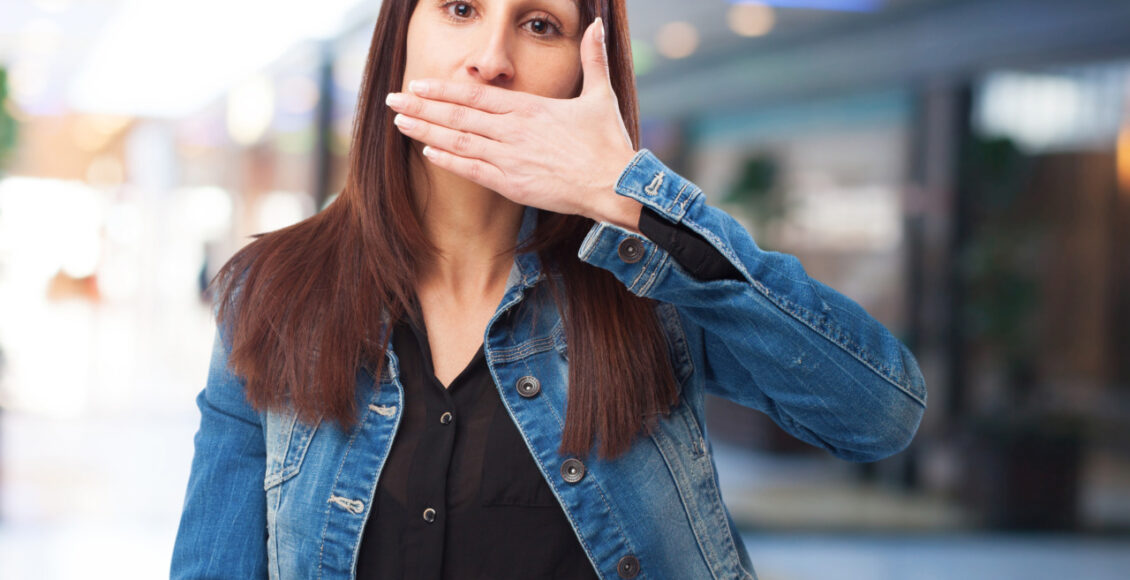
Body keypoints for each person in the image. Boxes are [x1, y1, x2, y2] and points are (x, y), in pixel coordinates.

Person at [171, 0, 927, 578]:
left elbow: (878, 415)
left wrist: (633, 199)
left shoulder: (648, 284)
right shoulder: (271, 294)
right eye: (460, 8)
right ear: (401, 33)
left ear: (581, 71)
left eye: (538, 24)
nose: (490, 60)